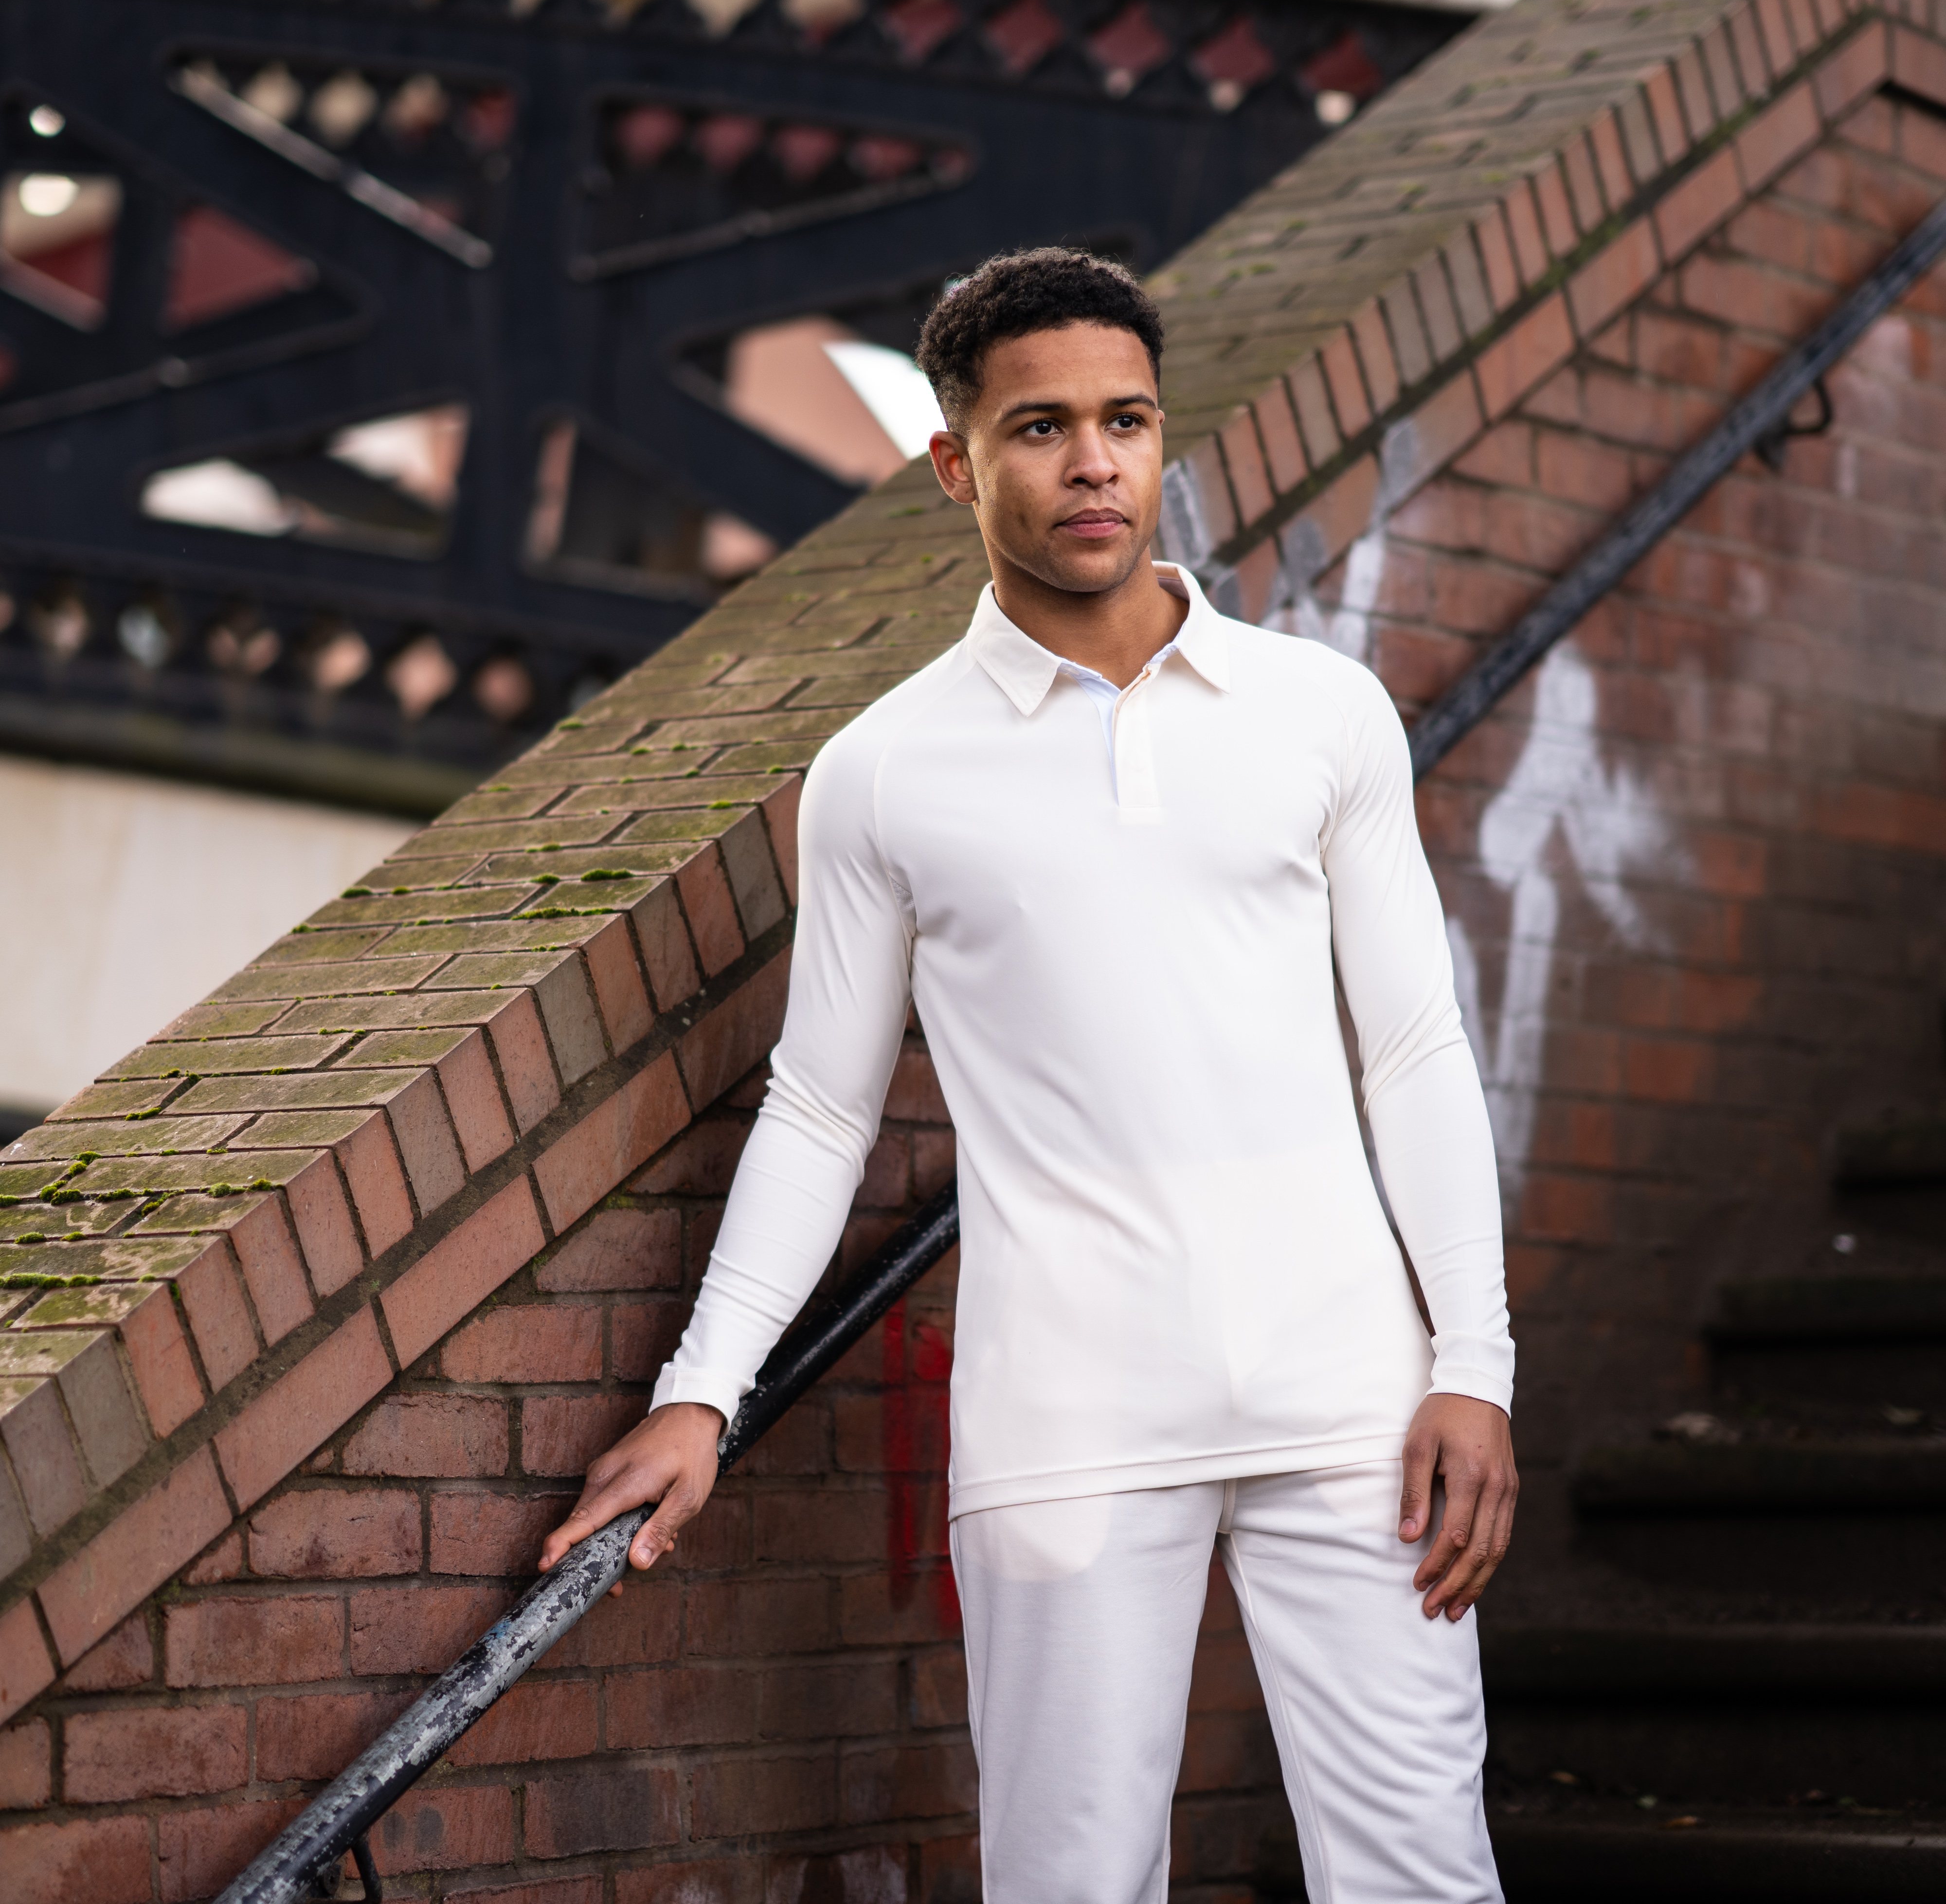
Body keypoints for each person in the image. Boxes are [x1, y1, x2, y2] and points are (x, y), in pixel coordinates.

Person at [540, 247, 1517, 1904]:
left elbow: (1414, 1048)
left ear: (1162, 436)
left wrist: (1474, 1364)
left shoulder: (1319, 713)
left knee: (1423, 1872)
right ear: (955, 463)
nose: (1093, 464)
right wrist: (703, 1390)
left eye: (1126, 421)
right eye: (1042, 428)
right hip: (1069, 1416)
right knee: (1068, 1882)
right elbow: (821, 1106)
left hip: (1356, 1399)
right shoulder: (883, 774)